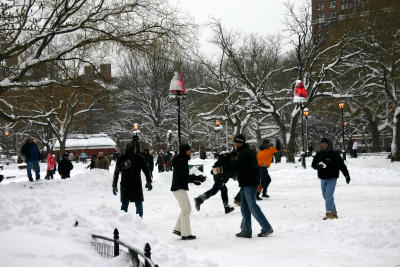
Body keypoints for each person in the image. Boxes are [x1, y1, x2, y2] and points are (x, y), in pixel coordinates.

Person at [220, 134, 274, 238]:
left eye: (236, 142)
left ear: (240, 142)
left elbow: (238, 167)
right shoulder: (243, 152)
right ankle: (246, 230)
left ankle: (267, 228)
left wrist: (222, 169)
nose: (234, 144)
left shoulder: (245, 153)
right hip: (246, 183)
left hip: (250, 183)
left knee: (252, 207)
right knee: (244, 208)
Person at [171, 144, 206, 240]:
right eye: (189, 150)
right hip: (178, 188)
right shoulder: (181, 161)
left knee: (185, 209)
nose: (190, 152)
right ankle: (186, 234)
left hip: (178, 187)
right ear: (184, 151)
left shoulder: (181, 160)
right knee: (186, 210)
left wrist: (195, 180)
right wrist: (196, 178)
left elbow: (184, 176)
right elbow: (184, 177)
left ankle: (178, 229)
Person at [312, 138, 351, 220]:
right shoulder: (319, 154)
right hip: (322, 178)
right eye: (322, 143)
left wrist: (346, 175)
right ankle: (334, 212)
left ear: (328, 144)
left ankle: (329, 213)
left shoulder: (334, 154)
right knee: (325, 196)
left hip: (332, 177)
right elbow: (313, 164)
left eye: (325, 143)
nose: (323, 145)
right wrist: (318, 166)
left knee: (329, 195)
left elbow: (342, 165)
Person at [113, 141, 152, 217]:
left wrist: (114, 185)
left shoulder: (121, 159)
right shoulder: (139, 157)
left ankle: (123, 221)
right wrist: (149, 181)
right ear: (134, 149)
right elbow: (146, 170)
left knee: (124, 204)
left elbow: (116, 173)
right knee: (138, 203)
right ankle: (139, 220)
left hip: (125, 184)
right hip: (136, 183)